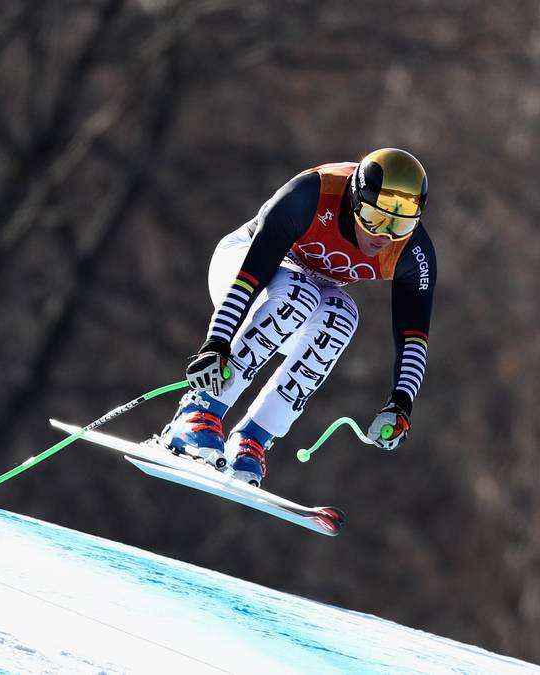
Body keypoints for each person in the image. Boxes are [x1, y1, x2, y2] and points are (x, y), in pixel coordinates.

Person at [161, 148, 436, 487]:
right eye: (373, 218)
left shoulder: (412, 251)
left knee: (343, 315)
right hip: (243, 270)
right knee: (299, 293)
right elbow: (250, 276)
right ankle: (198, 412)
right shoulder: (311, 194)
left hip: (299, 299)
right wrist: (215, 343)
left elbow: (414, 337)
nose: (384, 235)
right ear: (354, 199)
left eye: (400, 224)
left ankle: (253, 438)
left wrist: (401, 404)